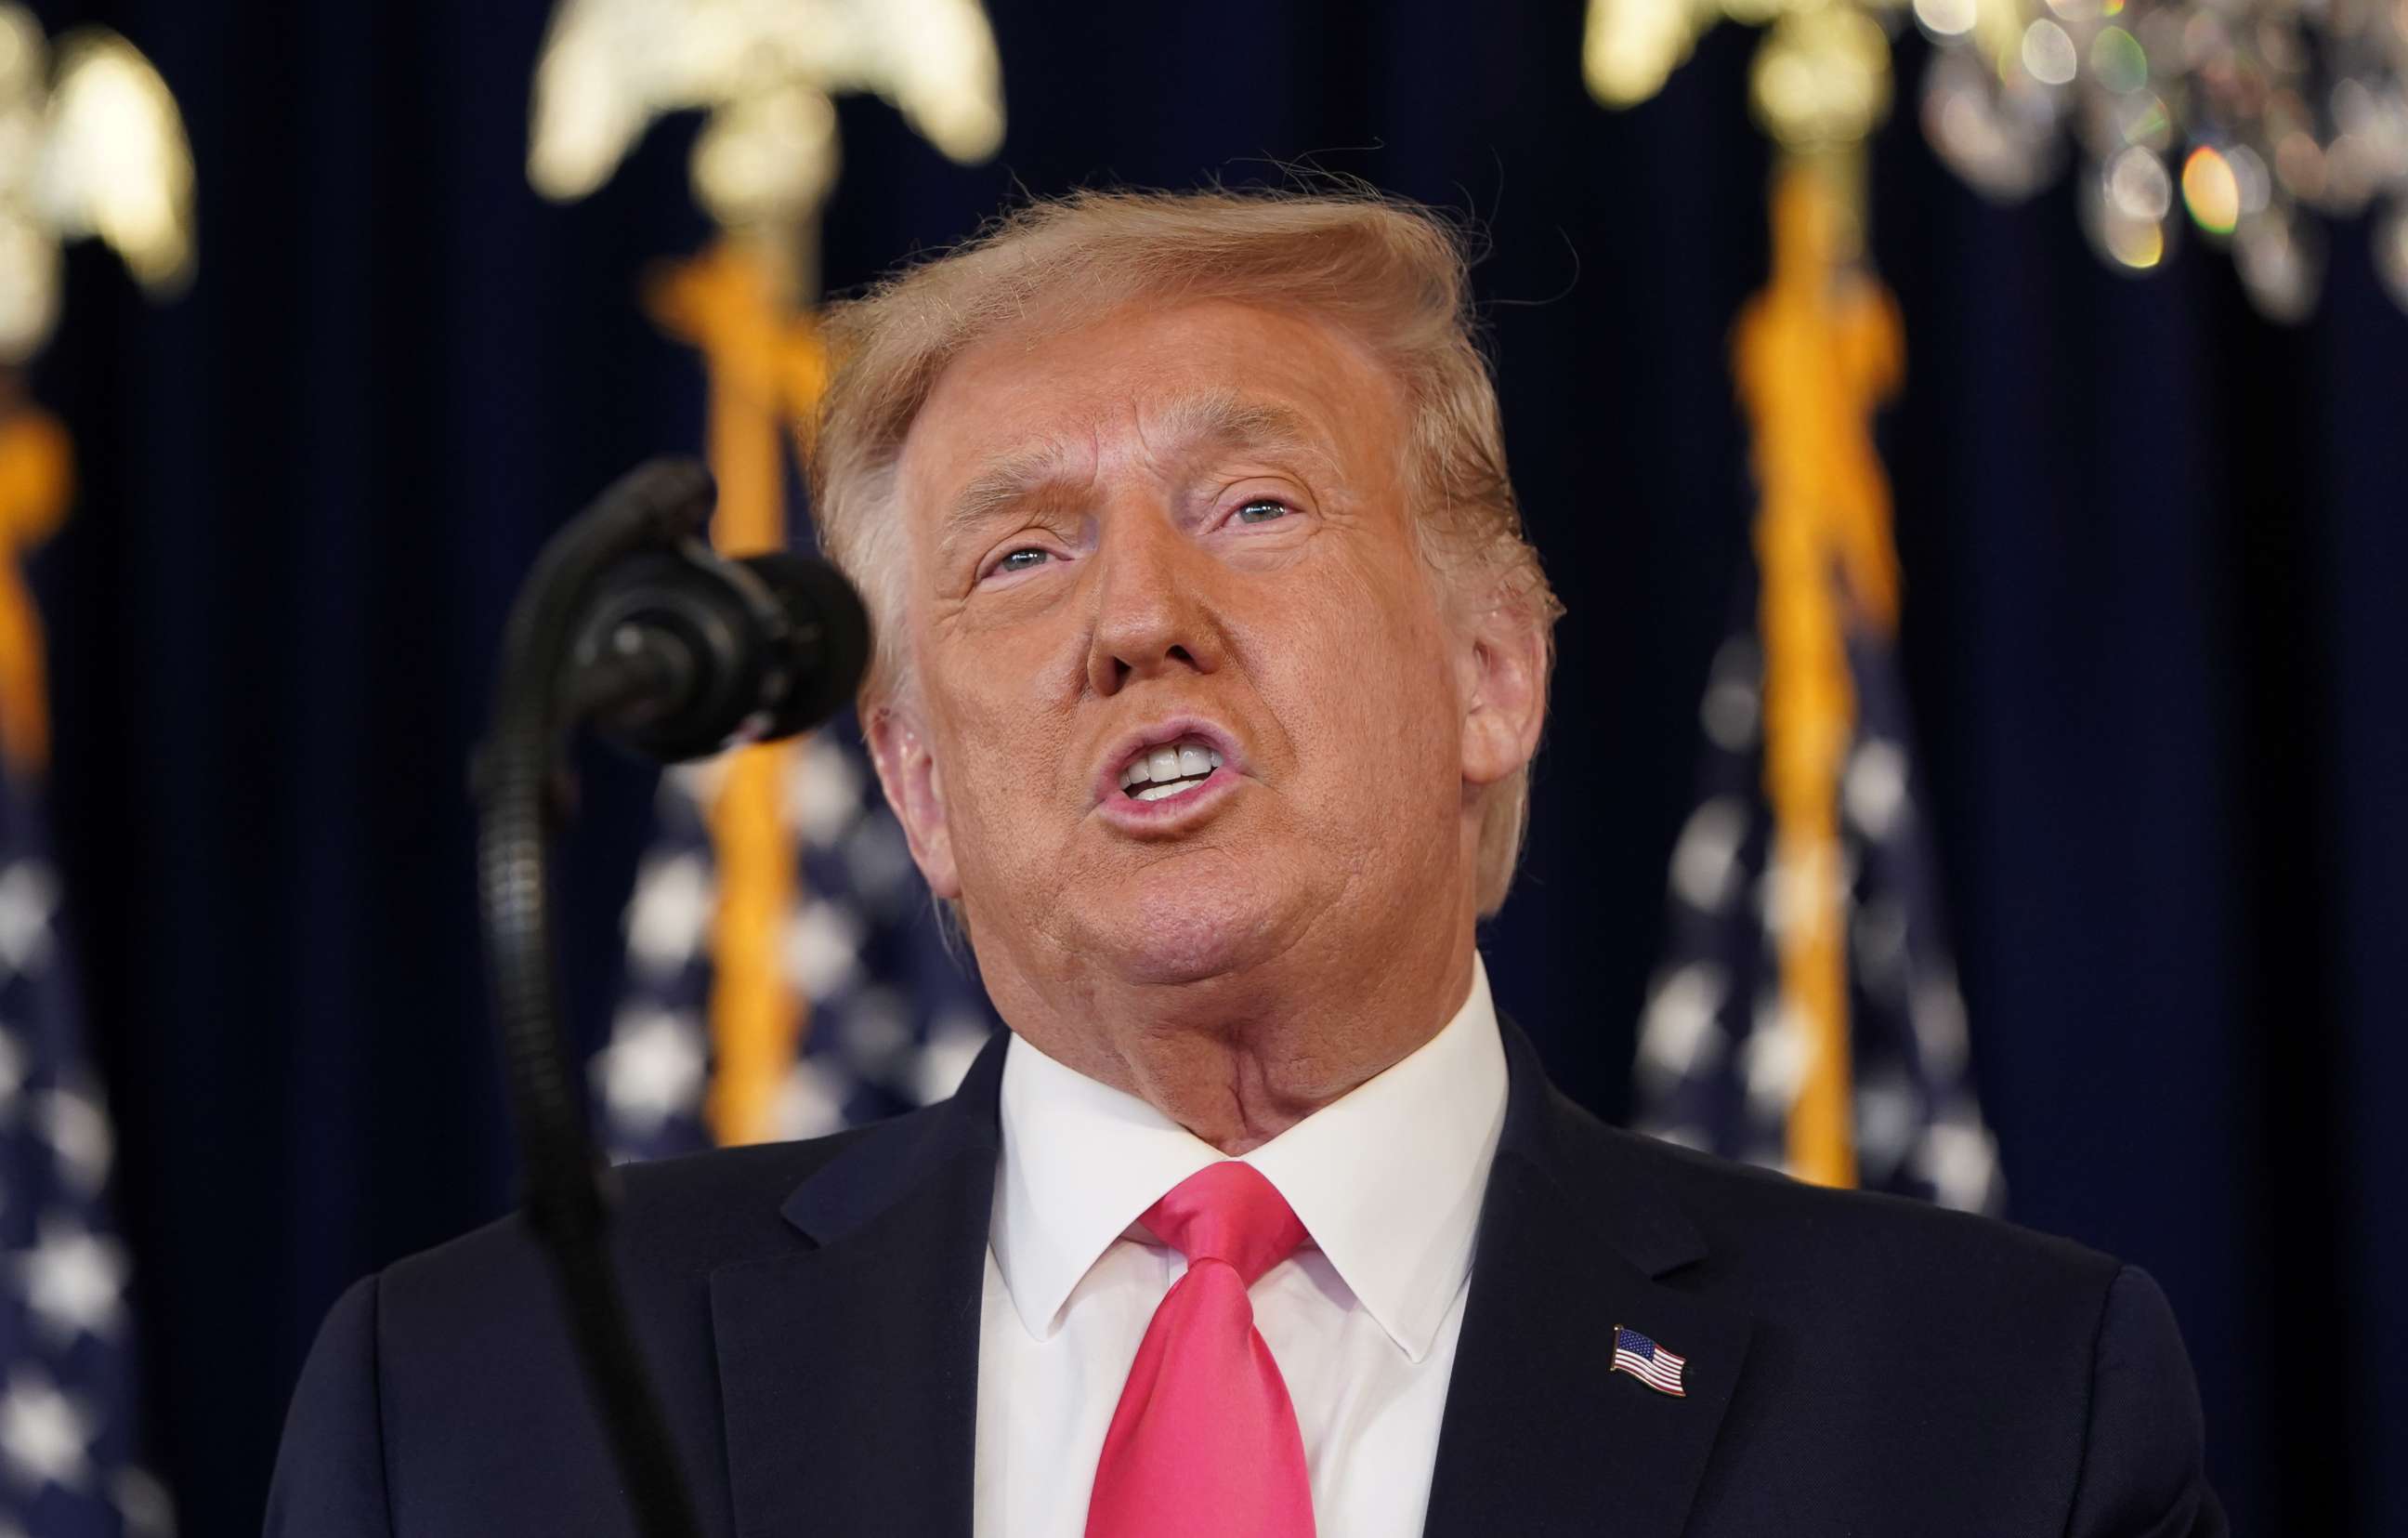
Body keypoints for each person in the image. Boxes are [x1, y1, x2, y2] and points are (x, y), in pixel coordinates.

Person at [266, 188, 2223, 1537]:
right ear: (920, 787)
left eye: (1252, 502)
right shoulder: (470, 1402)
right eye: (1022, 554)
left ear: (1491, 673)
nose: (1138, 619)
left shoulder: (1990, 1411)